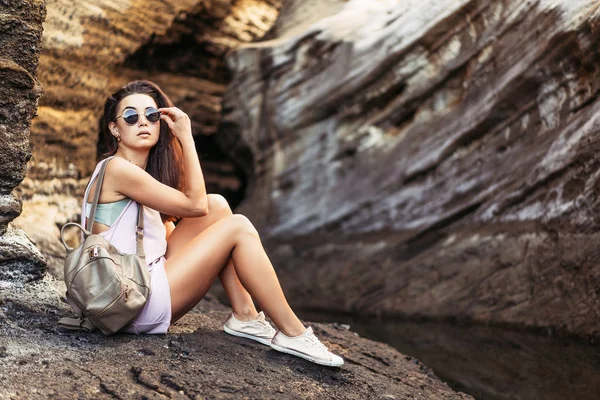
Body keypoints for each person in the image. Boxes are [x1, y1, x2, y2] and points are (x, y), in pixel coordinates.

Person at [84, 80, 343, 367]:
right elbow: (195, 205)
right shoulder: (118, 170)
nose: (142, 122)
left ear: (160, 122)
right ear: (114, 128)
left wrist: (208, 245)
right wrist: (187, 138)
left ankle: (245, 315)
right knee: (238, 227)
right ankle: (292, 332)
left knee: (218, 205)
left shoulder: (137, 175)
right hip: (131, 302)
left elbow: (175, 234)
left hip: (138, 285)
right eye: (131, 117)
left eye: (152, 115)